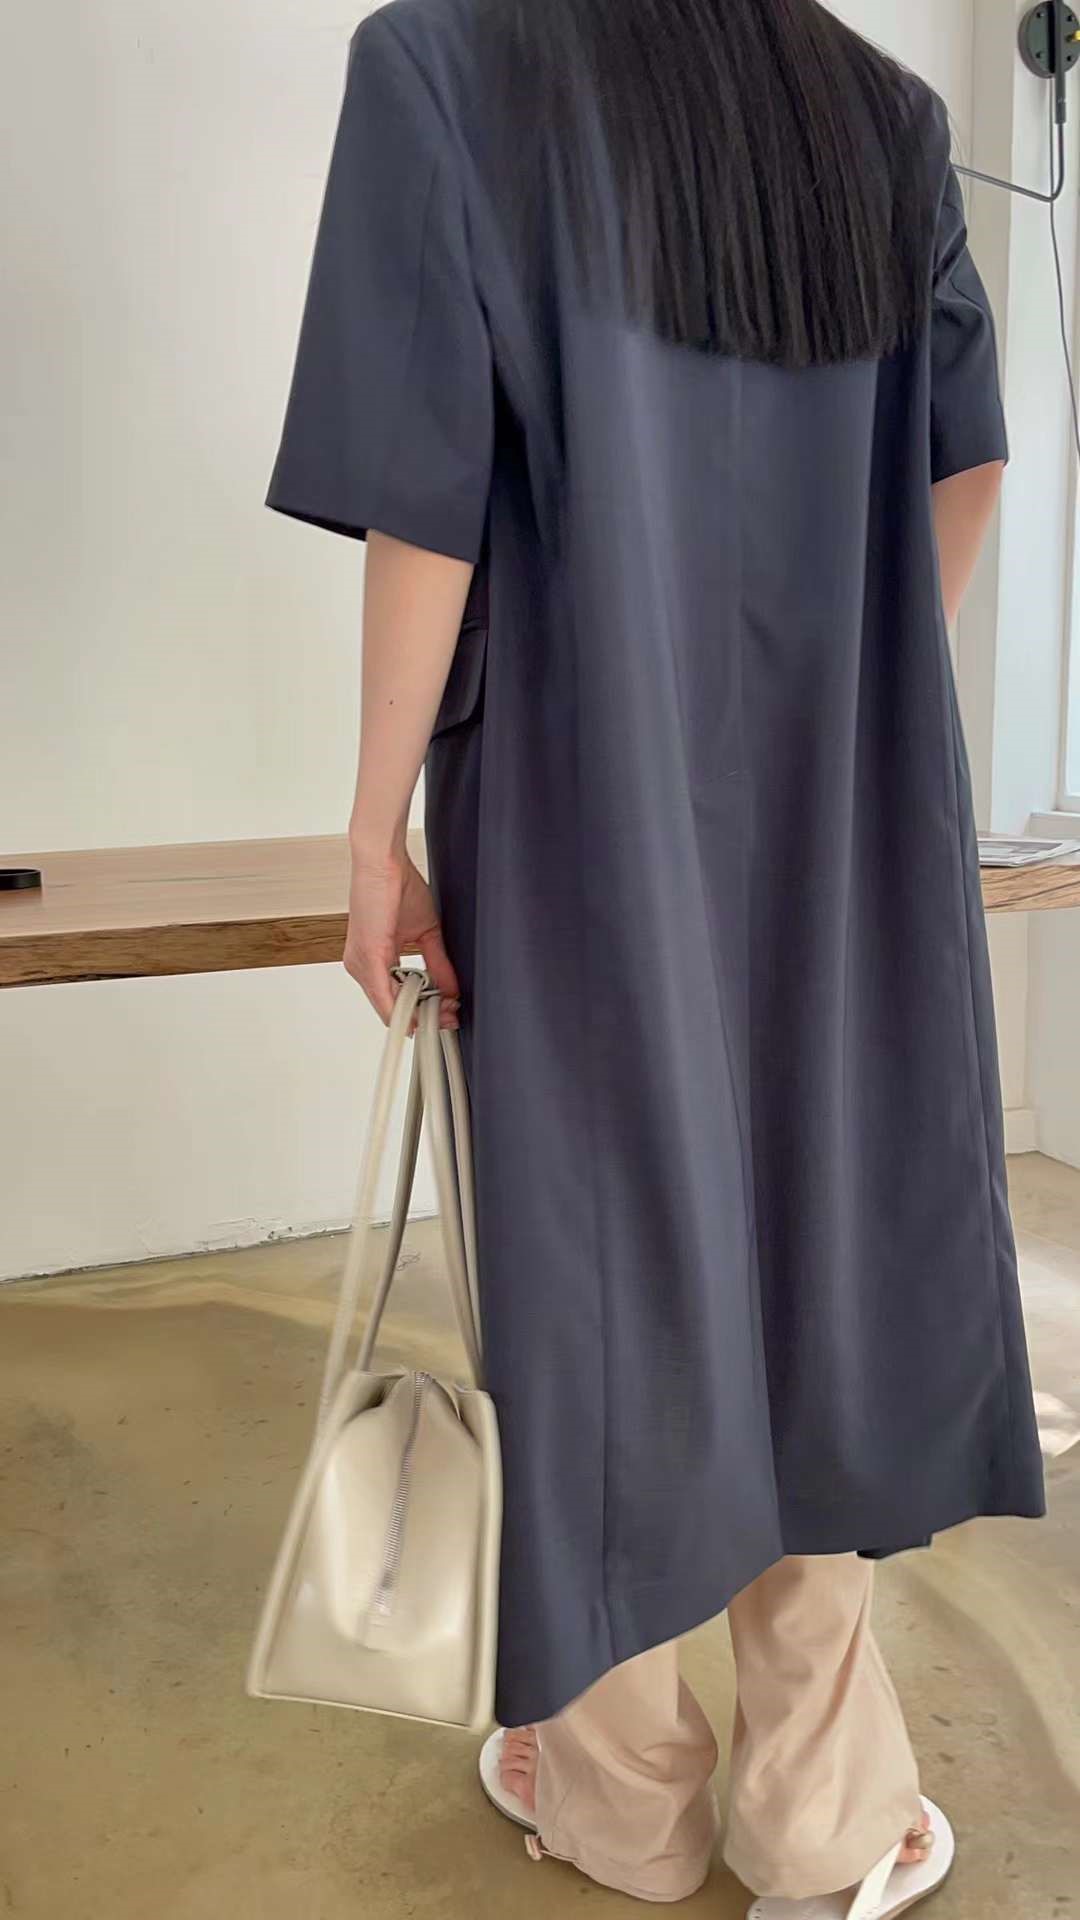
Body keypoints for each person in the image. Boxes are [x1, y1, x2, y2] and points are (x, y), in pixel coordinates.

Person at [266, 0, 1046, 1911]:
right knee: (822, 1240)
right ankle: (824, 1820)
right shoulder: (876, 112)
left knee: (594, 1252)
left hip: (581, 782)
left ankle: (617, 1799)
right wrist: (857, 680)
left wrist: (372, 826)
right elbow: (965, 461)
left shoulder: (447, 68)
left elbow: (425, 495)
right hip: (843, 798)